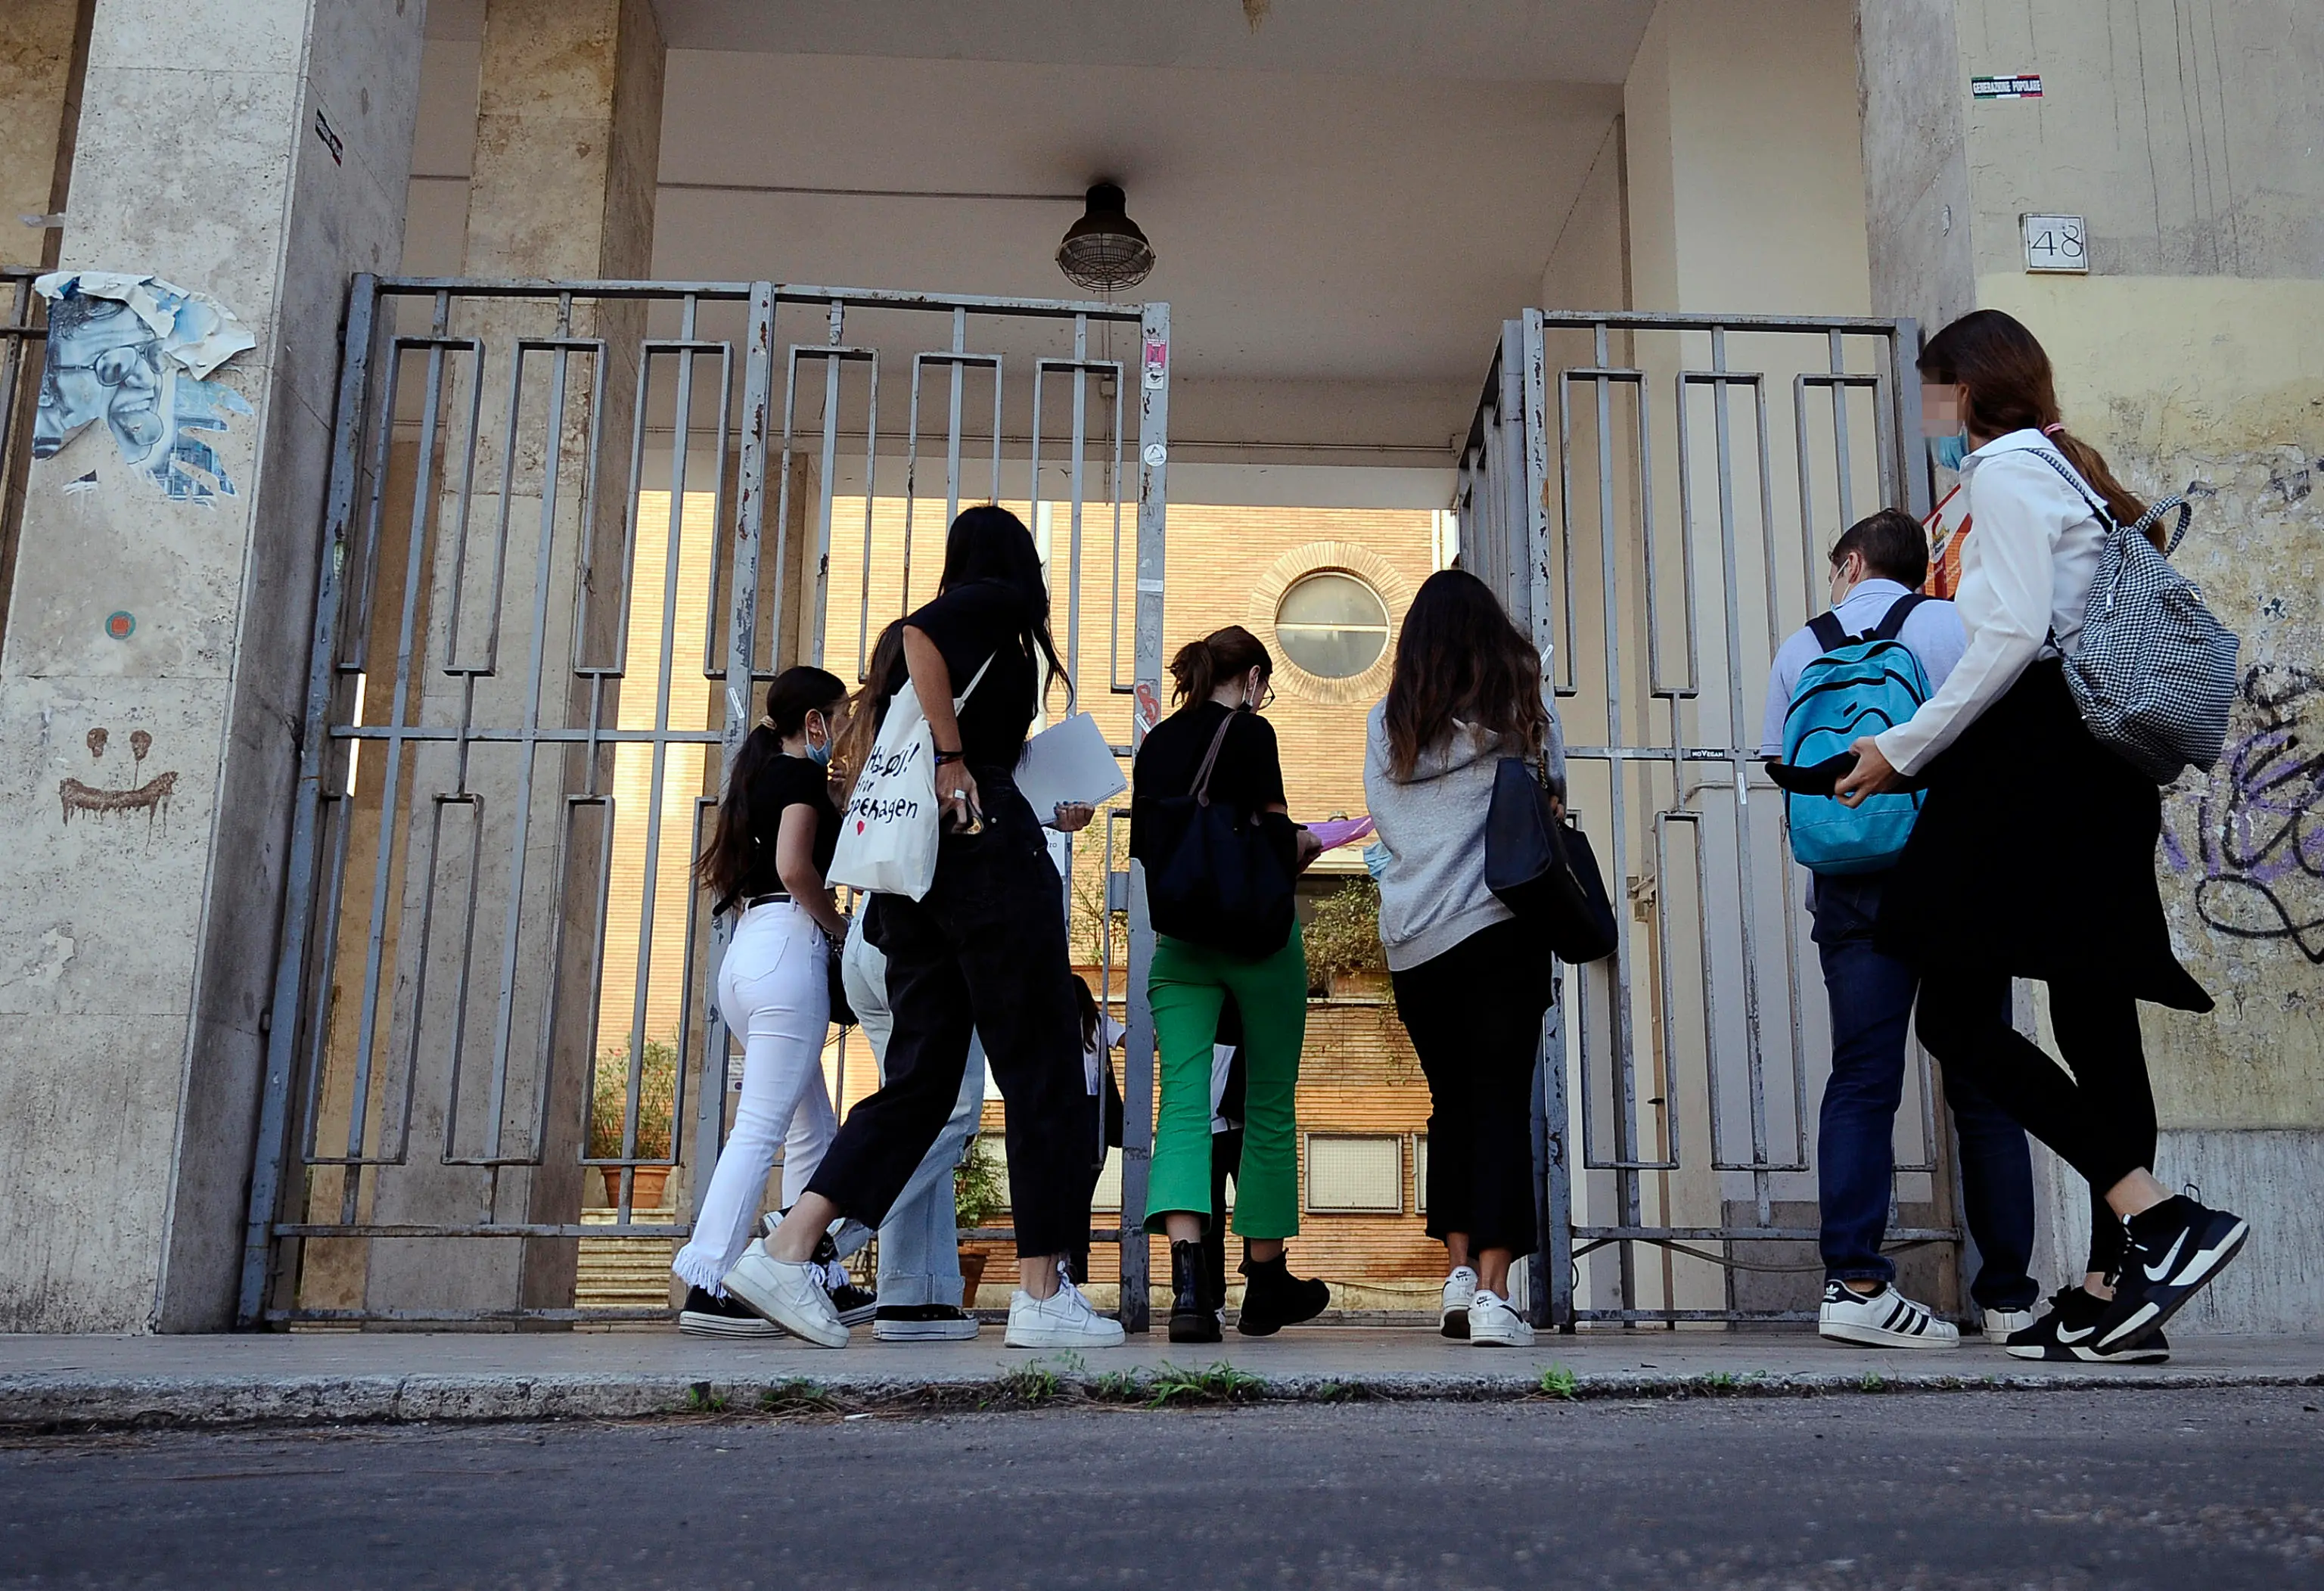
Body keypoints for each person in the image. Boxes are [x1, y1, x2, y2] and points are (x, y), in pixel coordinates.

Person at [1835, 309, 2248, 1363]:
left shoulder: (2010, 473)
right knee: (2095, 1021)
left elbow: (2014, 632)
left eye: (1933, 392)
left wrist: (1906, 746)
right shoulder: (2066, 470)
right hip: (2097, 774)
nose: (1929, 414)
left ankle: (2158, 1218)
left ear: (1965, 390)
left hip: (2032, 764)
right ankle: (2119, 1289)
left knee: (1959, 1017)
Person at [731, 505, 1123, 1350]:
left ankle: (790, 1248)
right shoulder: (989, 609)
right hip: (983, 866)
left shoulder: (980, 642)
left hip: (918, 887)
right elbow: (920, 634)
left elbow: (985, 742)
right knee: (1044, 1066)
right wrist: (952, 757)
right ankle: (1042, 1292)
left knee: (920, 1084)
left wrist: (1042, 799)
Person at [1761, 508, 2042, 1350]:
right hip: (1954, 873)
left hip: (1850, 885)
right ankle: (2009, 1299)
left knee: (1862, 1078)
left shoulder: (1799, 647)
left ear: (1851, 562)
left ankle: (1852, 1281)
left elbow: (1782, 762)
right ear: (1919, 569)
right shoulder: (1954, 627)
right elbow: (1996, 745)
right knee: (1983, 1082)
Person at [827, 620, 1098, 1341]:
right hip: (925, 927)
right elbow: (961, 822)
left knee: (921, 1096)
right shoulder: (931, 728)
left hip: (876, 929)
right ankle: (819, 1237)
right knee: (943, 1111)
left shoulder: (875, 732)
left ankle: (915, 1292)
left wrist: (1036, 802)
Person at [1364, 569, 1564, 1348]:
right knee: (1500, 1104)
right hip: (1497, 928)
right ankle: (1494, 1292)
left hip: (1415, 942)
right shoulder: (1520, 711)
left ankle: (1455, 1271)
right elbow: (1553, 802)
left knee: (1452, 1104)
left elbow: (1387, 821)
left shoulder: (1388, 725)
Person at [1131, 626, 1331, 1344]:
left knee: (1182, 1106)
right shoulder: (1253, 734)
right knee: (1269, 1105)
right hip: (1259, 943)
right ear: (1249, 677)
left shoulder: (1155, 745)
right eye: (1264, 684)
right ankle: (1264, 1281)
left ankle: (1190, 1292)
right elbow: (1275, 841)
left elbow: (1153, 851)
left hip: (1180, 946)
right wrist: (1308, 841)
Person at [673, 667, 853, 1338]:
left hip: (750, 954)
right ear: (813, 722)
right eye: (837, 717)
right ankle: (710, 1279)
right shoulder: (800, 778)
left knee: (812, 1126)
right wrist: (841, 930)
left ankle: (801, 1269)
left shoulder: (761, 776)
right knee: (761, 1128)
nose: (841, 730)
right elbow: (793, 867)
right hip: (789, 950)